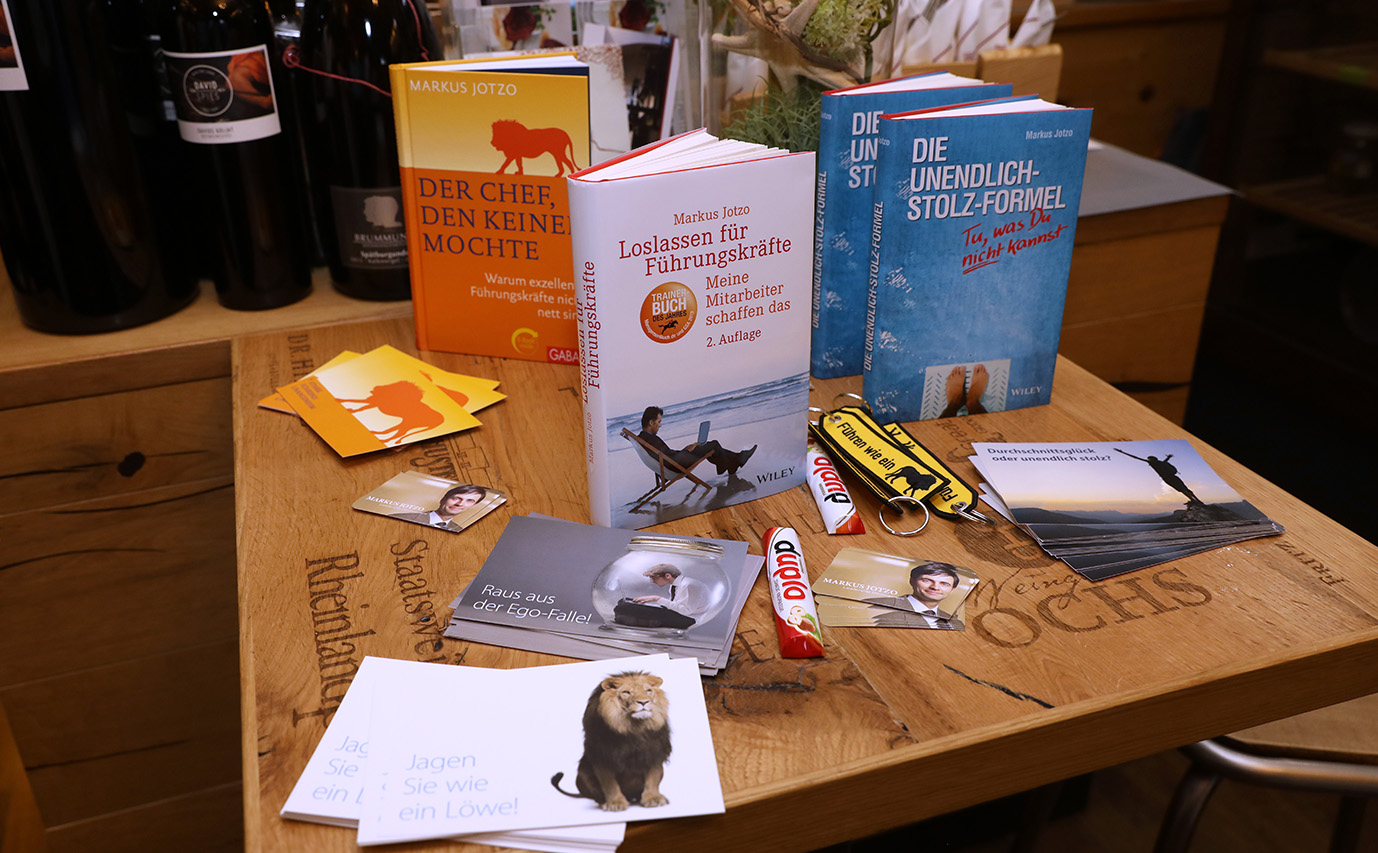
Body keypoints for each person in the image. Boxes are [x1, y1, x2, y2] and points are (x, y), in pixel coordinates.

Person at [637, 406, 756, 483]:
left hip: (674, 462)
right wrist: (686, 451)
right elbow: (669, 458)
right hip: (677, 465)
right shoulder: (650, 439)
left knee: (703, 446)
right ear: (651, 422)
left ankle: (734, 461)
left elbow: (666, 455)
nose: (660, 425)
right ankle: (728, 463)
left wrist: (685, 449)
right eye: (659, 422)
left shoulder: (643, 438)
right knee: (713, 445)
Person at [864, 561, 965, 630]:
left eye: (944, 584)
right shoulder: (874, 606)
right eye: (927, 580)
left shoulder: (955, 623)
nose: (935, 587)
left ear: (952, 589)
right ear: (912, 581)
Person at [1114, 447, 1204, 506]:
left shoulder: (1153, 463)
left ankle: (1194, 500)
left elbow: (1136, 457)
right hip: (1173, 476)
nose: (1148, 461)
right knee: (1183, 488)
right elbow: (1166, 460)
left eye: (1149, 459)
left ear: (1151, 460)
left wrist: (1122, 452)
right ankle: (1196, 500)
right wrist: (1169, 457)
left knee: (1181, 489)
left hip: (1167, 478)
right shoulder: (1161, 463)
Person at [632, 564, 712, 621]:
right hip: (680, 616)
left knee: (636, 611)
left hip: (690, 619)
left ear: (668, 576)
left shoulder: (688, 585)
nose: (651, 581)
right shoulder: (675, 585)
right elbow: (675, 606)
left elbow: (686, 611)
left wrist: (657, 599)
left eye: (653, 578)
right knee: (639, 608)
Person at [389, 483, 487, 528]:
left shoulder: (459, 530)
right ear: (443, 499)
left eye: (469, 501)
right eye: (456, 498)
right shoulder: (399, 518)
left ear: (474, 505)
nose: (460, 504)